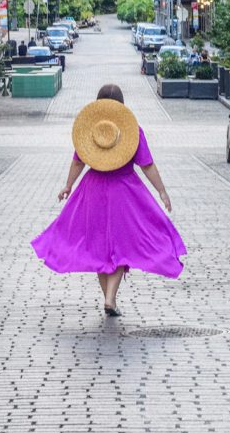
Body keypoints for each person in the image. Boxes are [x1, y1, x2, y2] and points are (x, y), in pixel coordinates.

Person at [31, 84, 186, 317]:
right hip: (125, 193)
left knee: (97, 248)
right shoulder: (133, 130)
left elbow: (78, 162)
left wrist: (68, 185)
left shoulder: (89, 131)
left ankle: (108, 298)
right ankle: (110, 298)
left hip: (93, 191)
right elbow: (147, 165)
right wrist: (161, 191)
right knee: (125, 246)